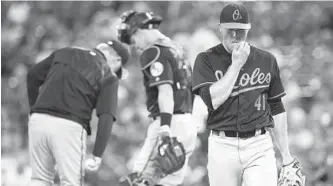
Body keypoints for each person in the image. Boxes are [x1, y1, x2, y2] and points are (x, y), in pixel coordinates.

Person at [192, 3, 305, 186]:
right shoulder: (205, 59)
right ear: (220, 28)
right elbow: (213, 100)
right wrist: (236, 65)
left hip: (259, 144)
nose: (235, 35)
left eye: (240, 30)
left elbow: (276, 107)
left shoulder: (266, 59)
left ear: (248, 29)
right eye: (230, 30)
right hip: (222, 146)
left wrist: (286, 155)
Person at [26, 40, 129, 186]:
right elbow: (106, 116)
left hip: (39, 119)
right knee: (71, 182)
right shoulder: (108, 74)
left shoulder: (66, 52)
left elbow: (32, 75)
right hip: (69, 126)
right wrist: (97, 154)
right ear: (117, 60)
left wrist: (34, 110)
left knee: (39, 180)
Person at [117, 10, 197, 186]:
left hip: (169, 123)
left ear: (138, 31)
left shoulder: (153, 52)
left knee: (139, 181)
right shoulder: (177, 49)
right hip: (188, 124)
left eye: (133, 40)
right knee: (166, 183)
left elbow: (166, 91)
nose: (135, 46)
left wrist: (165, 129)